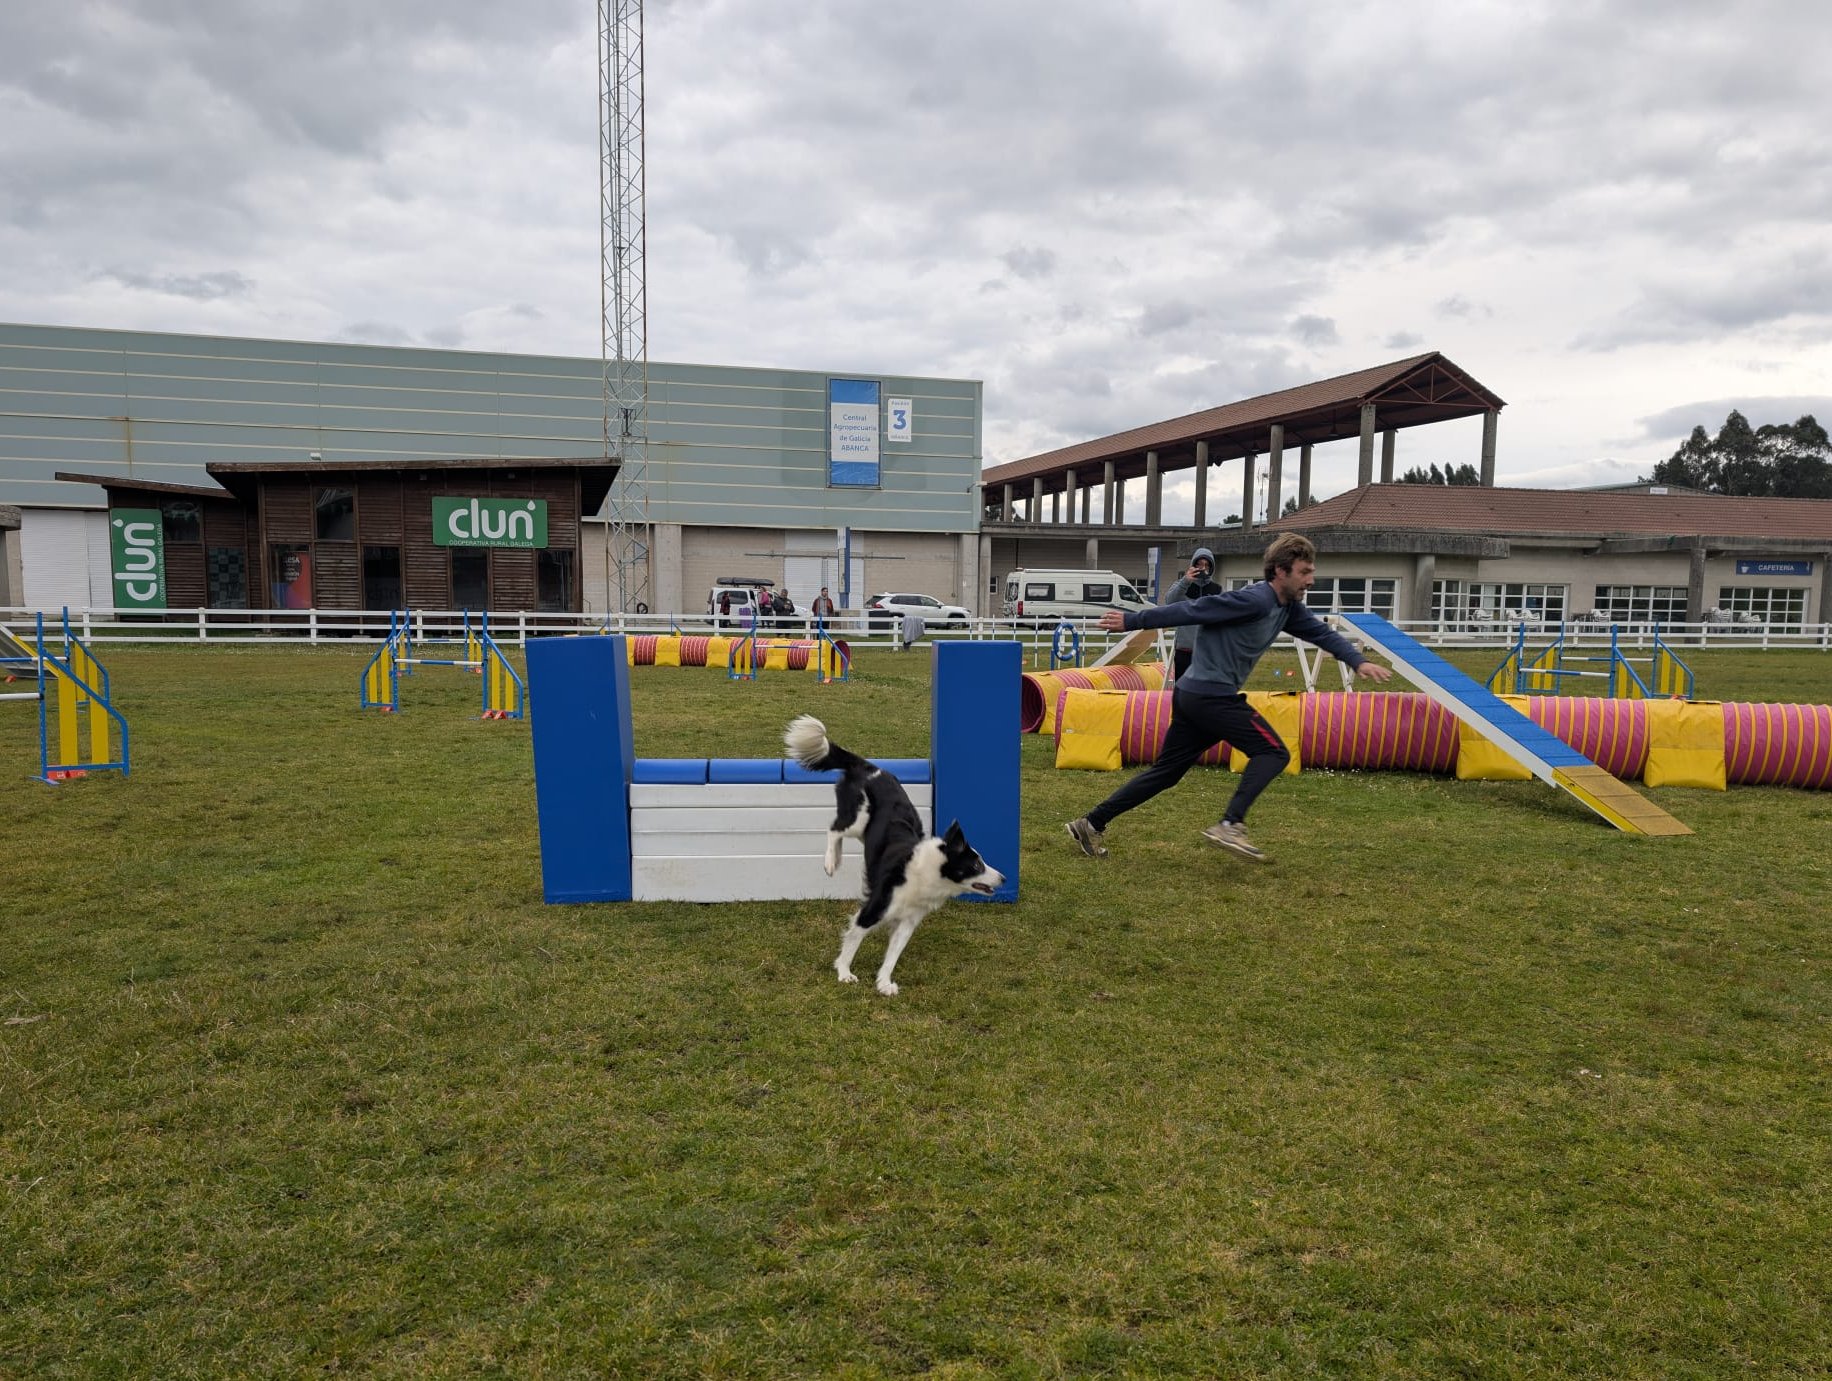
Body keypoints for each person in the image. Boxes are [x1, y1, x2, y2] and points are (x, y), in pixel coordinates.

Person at [1066, 533, 1393, 864]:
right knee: (1273, 752)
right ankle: (1230, 824)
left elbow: (1321, 633)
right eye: (1304, 572)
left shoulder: (1288, 609)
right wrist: (1134, 620)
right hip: (1211, 695)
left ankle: (1091, 822)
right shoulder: (1254, 600)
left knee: (1167, 772)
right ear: (1281, 571)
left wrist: (1358, 660)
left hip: (1194, 694)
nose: (1310, 579)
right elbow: (1193, 608)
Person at [1163, 547, 1222, 681]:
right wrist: (1186, 581)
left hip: (1208, 652)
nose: (1203, 568)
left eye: (1206, 565)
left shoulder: (1217, 589)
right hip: (1184, 650)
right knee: (1182, 692)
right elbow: (1169, 602)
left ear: (1211, 568)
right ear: (1193, 565)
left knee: (1205, 692)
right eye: (1199, 564)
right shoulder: (1181, 585)